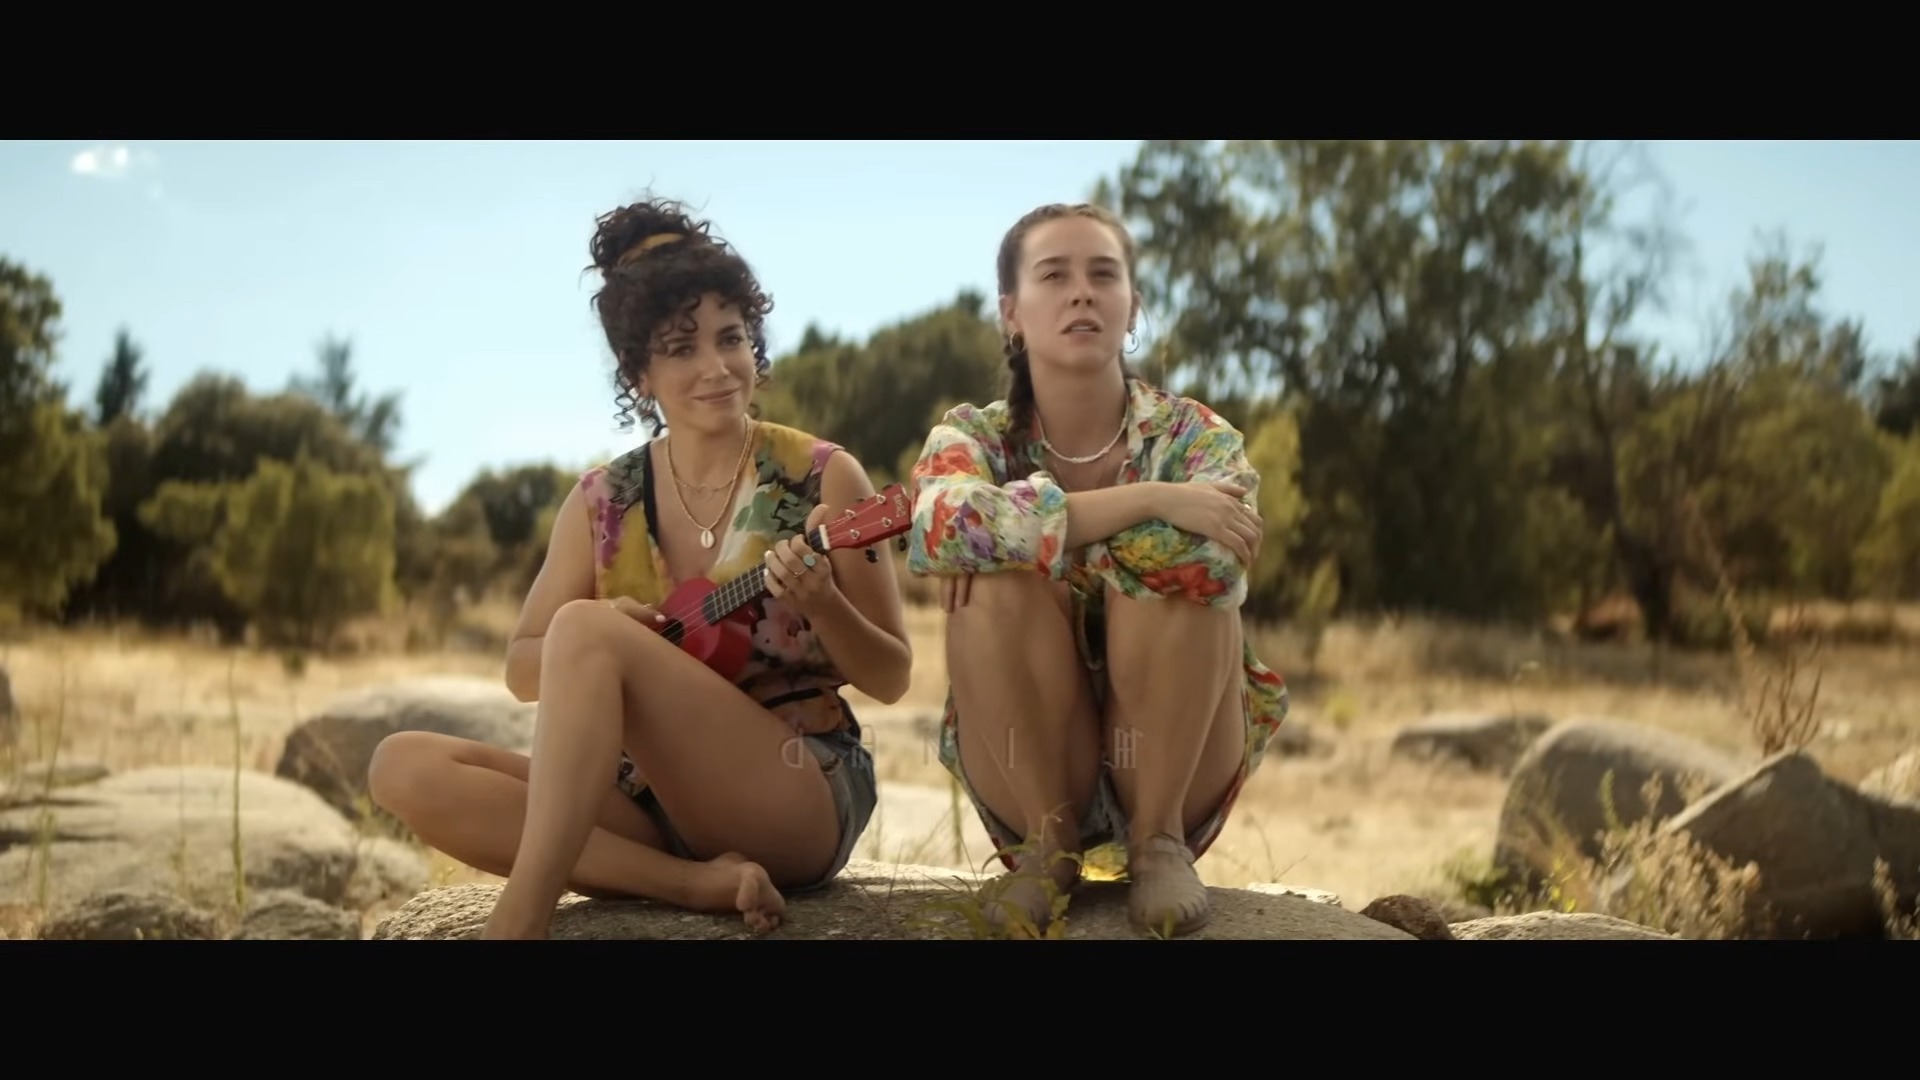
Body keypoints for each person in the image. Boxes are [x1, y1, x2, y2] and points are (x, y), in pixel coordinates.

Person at [366, 195, 912, 940]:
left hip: (795, 785)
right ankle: (693, 883)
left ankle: (518, 921)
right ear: (639, 375)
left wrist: (824, 605)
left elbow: (892, 675)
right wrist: (606, 633)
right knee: (401, 766)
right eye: (681, 349)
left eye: (731, 338)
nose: (716, 367)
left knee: (585, 629)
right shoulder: (602, 502)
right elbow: (522, 668)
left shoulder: (822, 476)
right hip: (648, 805)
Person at [905, 201, 1288, 939]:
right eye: (1054, 276)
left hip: (1183, 752)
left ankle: (1159, 841)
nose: (1082, 292)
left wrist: (1020, 535)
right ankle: (1046, 851)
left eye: (1103, 275)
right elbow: (940, 525)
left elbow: (1222, 550)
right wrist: (1153, 501)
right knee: (993, 584)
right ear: (1012, 313)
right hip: (1027, 759)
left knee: (1179, 564)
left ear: (1131, 305)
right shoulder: (972, 437)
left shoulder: (1194, 436)